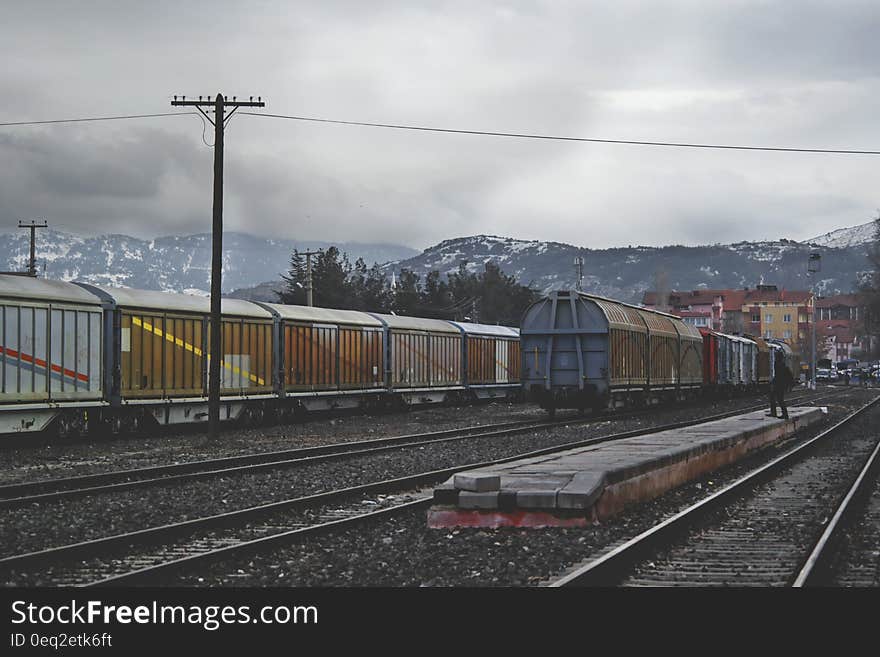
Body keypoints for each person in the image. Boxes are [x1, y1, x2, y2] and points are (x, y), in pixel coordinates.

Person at [768, 350, 793, 419]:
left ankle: (780, 414)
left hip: (779, 384)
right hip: (780, 384)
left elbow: (778, 376)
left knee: (778, 399)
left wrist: (773, 382)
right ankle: (781, 413)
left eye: (776, 356)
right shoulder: (782, 364)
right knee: (778, 399)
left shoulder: (778, 364)